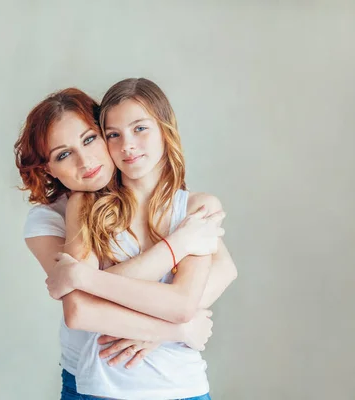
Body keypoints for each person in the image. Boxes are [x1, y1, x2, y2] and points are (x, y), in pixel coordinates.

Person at [15, 87, 228, 399]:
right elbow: (81, 308)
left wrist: (82, 277)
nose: (85, 160)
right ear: (49, 167)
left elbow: (225, 269)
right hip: (98, 381)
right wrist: (174, 329)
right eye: (63, 154)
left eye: (90, 139)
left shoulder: (175, 200)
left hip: (181, 382)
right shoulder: (75, 209)